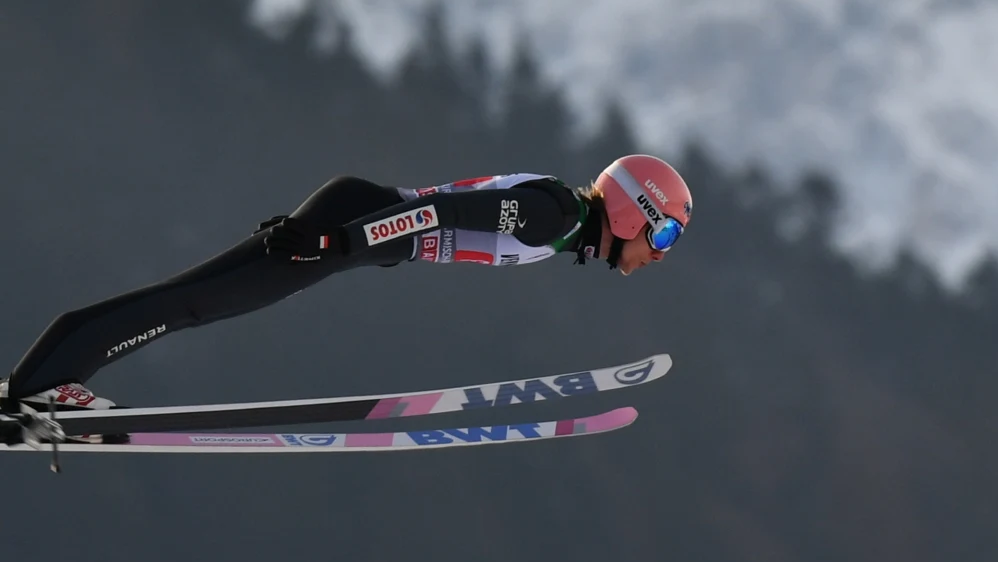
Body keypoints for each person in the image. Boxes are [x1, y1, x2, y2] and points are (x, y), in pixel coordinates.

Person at [0, 154, 693, 412]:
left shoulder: (562, 221)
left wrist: (344, 242)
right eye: (663, 236)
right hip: (356, 224)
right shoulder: (553, 215)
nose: (659, 254)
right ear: (637, 212)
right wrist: (336, 243)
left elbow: (433, 216)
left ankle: (45, 375)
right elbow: (439, 213)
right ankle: (43, 384)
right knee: (191, 304)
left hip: (355, 225)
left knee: (191, 297)